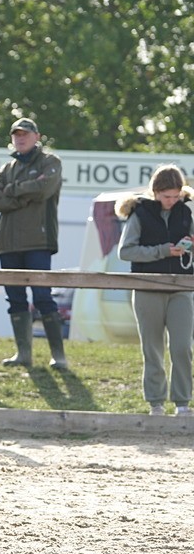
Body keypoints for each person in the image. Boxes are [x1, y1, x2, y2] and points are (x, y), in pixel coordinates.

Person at [116, 165, 194, 416]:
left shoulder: (187, 213)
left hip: (181, 288)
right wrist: (162, 250)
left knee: (182, 347)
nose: (171, 201)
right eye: (166, 196)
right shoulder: (138, 213)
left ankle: (183, 402)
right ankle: (156, 402)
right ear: (155, 192)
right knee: (152, 348)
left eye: (175, 196)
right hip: (147, 288)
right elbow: (126, 251)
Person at [0, 117, 66, 369]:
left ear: (37, 136)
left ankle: (59, 356)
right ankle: (23, 354)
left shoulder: (50, 161)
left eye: (25, 134)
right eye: (16, 134)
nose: (20, 138)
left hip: (39, 241)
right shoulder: (5, 169)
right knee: (15, 299)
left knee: (43, 297)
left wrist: (13, 190)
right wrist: (25, 195)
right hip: (8, 243)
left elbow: (44, 189)